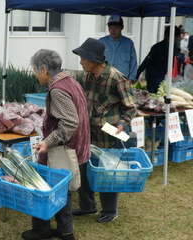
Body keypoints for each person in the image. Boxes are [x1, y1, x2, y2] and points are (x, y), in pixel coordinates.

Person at [21, 49, 91, 240]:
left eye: (34, 70)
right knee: (63, 188)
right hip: (76, 145)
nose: (35, 75)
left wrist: (47, 142)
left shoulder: (58, 89)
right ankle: (65, 231)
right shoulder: (71, 81)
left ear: (43, 69)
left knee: (42, 185)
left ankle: (42, 230)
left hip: (62, 148)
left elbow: (69, 122)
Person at [72, 38, 136, 223]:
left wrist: (122, 124)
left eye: (83, 58)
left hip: (110, 134)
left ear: (93, 59)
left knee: (108, 171)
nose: (80, 62)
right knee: (84, 168)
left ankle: (110, 210)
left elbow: (131, 107)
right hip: (89, 133)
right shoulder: (88, 76)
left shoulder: (116, 77)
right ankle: (87, 206)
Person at [136, 26, 181, 93]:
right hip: (153, 75)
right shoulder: (157, 47)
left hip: (163, 73)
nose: (177, 39)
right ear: (169, 36)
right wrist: (137, 73)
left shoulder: (173, 46)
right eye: (176, 37)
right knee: (155, 93)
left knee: (161, 93)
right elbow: (146, 61)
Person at [99, 15, 137, 84]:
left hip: (124, 80)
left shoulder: (128, 43)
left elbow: (133, 62)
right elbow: (96, 61)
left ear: (122, 27)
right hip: (106, 79)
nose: (113, 30)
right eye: (110, 27)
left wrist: (131, 79)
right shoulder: (102, 41)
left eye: (116, 27)